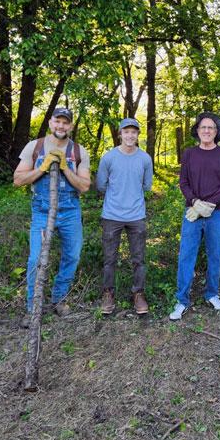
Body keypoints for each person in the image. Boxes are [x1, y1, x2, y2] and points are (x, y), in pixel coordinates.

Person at [13, 108, 91, 326]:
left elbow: (84, 186)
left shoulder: (78, 151)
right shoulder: (35, 147)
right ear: (50, 122)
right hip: (41, 210)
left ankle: (59, 299)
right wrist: (43, 168)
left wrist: (66, 168)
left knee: (72, 256)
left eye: (65, 123)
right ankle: (33, 307)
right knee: (35, 259)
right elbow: (18, 180)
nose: (61, 126)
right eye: (57, 121)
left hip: (70, 212)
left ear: (71, 126)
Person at [169, 112, 220, 320]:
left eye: (211, 128)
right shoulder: (189, 154)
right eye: (203, 127)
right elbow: (183, 182)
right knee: (186, 255)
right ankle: (182, 300)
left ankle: (212, 294)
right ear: (197, 131)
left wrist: (210, 204)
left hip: (217, 213)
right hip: (192, 213)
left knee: (215, 254)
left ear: (216, 132)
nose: (207, 131)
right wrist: (195, 203)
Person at [96, 118, 153, 316]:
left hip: (136, 215)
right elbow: (101, 185)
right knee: (110, 259)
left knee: (138, 258)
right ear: (120, 133)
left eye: (134, 132)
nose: (130, 135)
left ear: (138, 135)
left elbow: (147, 186)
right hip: (112, 215)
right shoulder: (108, 158)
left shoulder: (145, 159)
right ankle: (108, 293)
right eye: (126, 131)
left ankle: (138, 294)